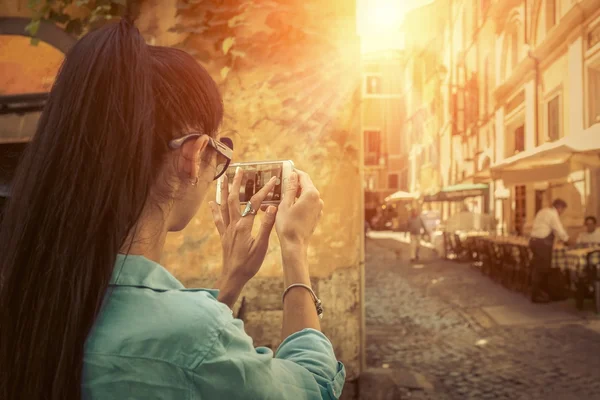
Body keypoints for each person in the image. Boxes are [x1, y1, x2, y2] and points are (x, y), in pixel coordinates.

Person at [0, 20, 344, 400]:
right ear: (194, 155)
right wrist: (294, 248)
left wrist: (229, 283)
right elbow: (314, 385)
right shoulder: (195, 338)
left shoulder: (28, 292)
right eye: (221, 149)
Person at [529, 198, 572, 303]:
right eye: (562, 210)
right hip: (542, 243)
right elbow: (559, 230)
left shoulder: (542, 211)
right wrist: (568, 241)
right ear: (559, 207)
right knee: (541, 269)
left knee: (539, 268)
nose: (562, 212)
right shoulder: (553, 214)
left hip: (533, 241)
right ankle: (536, 296)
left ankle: (544, 293)